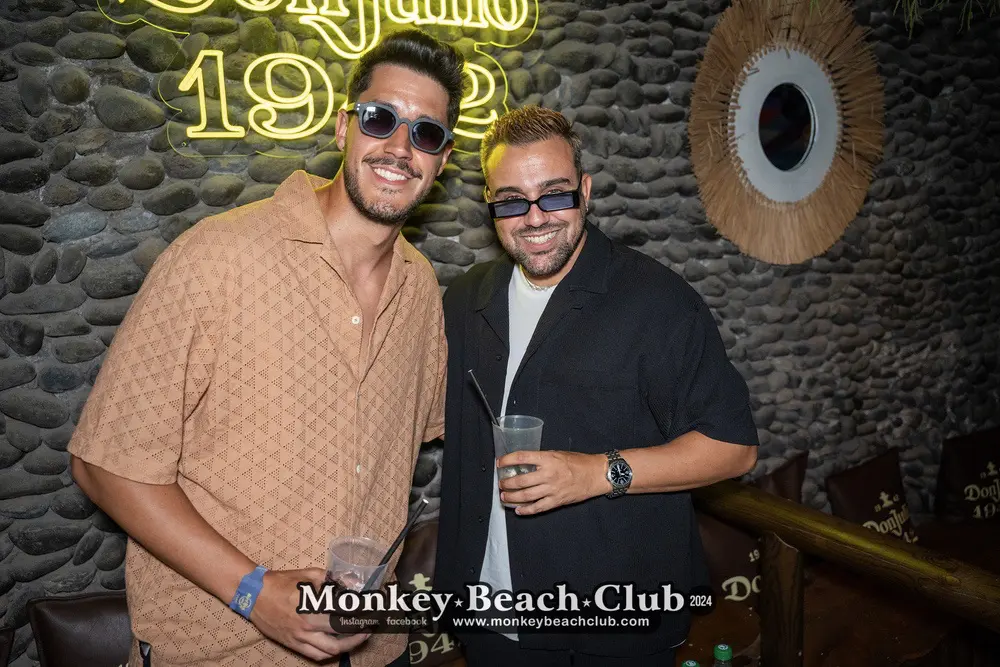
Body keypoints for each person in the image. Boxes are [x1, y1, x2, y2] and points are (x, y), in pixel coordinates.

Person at [68, 30, 464, 667]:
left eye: (426, 133)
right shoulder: (217, 257)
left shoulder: (419, 289)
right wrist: (252, 591)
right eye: (380, 118)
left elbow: (414, 437)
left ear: (442, 159)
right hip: (219, 653)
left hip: (372, 650)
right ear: (344, 128)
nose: (399, 147)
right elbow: (104, 465)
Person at [434, 106, 759, 666]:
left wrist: (594, 473)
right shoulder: (466, 299)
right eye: (511, 200)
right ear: (489, 204)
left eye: (554, 195)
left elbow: (733, 448)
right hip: (487, 620)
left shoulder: (657, 303)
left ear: (584, 191)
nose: (534, 217)